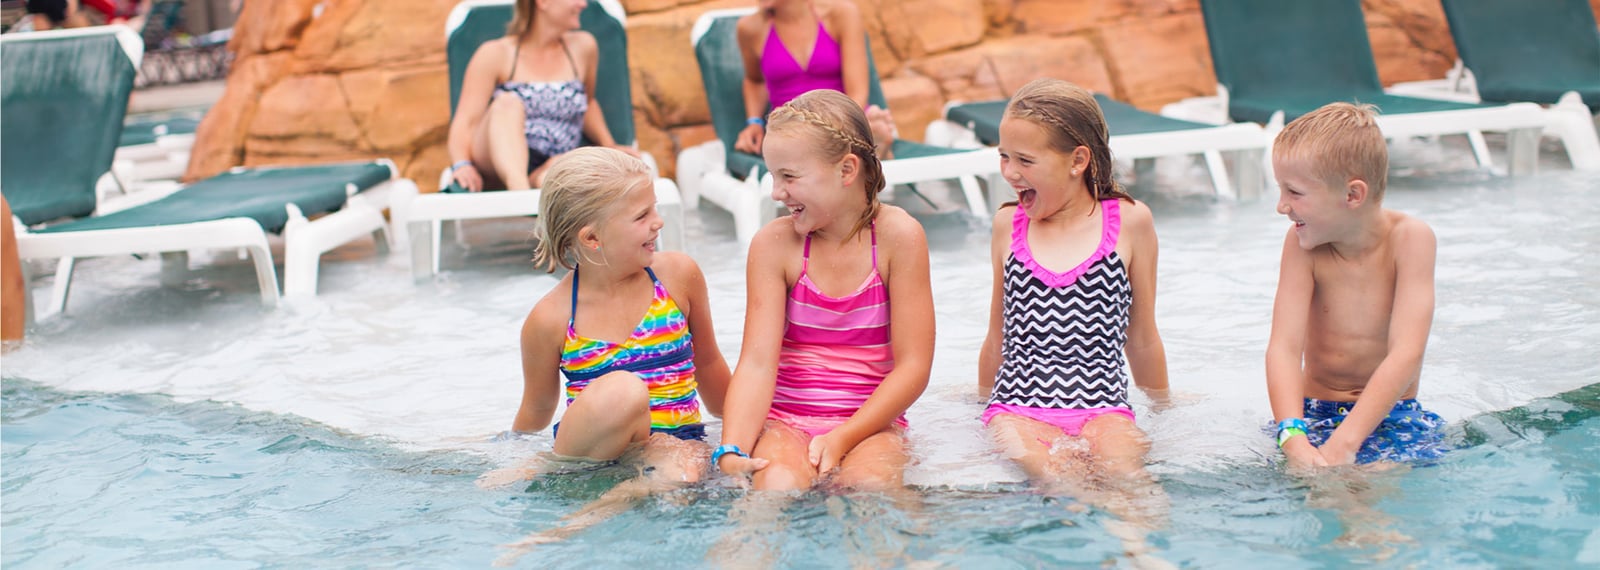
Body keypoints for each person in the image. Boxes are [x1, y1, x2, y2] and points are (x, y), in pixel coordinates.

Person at [480, 147, 731, 562]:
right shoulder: (551, 318)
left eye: (654, 208)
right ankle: (580, 508)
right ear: (592, 238)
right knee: (624, 391)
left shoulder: (677, 277)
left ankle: (572, 525)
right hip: (592, 450)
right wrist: (512, 459)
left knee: (682, 482)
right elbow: (538, 409)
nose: (659, 222)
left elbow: (707, 364)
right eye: (641, 216)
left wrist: (743, 431)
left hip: (676, 443)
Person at [976, 78, 1170, 559]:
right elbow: (997, 333)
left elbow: (1141, 336)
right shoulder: (1008, 225)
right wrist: (977, 403)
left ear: (1078, 160)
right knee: (1055, 477)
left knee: (1131, 477)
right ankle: (1106, 548)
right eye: (1004, 157)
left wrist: (1164, 406)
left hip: (1103, 407)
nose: (1010, 172)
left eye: (1025, 160)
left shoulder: (1130, 222)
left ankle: (1143, 553)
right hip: (1018, 409)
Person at [714, 89, 934, 492]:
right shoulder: (775, 245)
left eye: (789, 177)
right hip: (787, 421)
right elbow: (757, 364)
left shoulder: (897, 237)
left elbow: (914, 367)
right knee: (774, 489)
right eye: (773, 175)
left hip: (870, 424)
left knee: (870, 489)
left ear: (847, 170)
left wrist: (845, 436)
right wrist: (731, 447)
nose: (776, 192)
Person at [1265, 102, 1444, 468]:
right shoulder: (1302, 247)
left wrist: (1346, 442)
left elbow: (1406, 352)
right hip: (1313, 414)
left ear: (1352, 195)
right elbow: (1283, 348)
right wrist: (1292, 436)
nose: (1282, 206)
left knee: (1376, 484)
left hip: (1393, 414)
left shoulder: (1411, 240)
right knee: (1317, 485)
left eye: (1294, 192)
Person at [445, 0, 637, 192]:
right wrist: (462, 165)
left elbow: (586, 103)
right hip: (499, 160)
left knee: (558, 169)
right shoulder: (496, 54)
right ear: (543, 2)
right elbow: (466, 121)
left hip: (557, 162)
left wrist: (610, 145)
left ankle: (537, 181)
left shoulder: (583, 47)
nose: (583, 4)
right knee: (507, 104)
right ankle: (519, 191)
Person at [732, 0, 897, 160]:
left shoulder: (842, 13)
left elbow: (857, 93)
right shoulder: (750, 28)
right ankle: (865, 152)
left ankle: (851, 143)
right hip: (790, 124)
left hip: (840, 117)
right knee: (800, 138)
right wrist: (753, 122)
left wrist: (834, 126)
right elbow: (755, 81)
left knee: (834, 135)